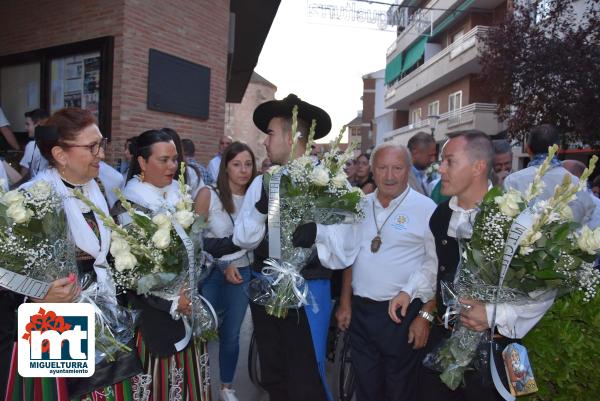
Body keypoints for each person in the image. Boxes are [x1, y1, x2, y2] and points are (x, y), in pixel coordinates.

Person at [5, 107, 140, 400]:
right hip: (55, 324)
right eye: (91, 147)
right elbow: (7, 271)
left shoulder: (94, 189)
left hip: (101, 314)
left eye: (101, 144)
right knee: (64, 393)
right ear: (60, 155)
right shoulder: (31, 199)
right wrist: (36, 294)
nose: (101, 154)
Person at [417, 130, 554, 401]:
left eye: (449, 161)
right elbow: (432, 269)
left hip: (502, 351)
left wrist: (494, 314)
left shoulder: (518, 217)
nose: (440, 168)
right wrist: (416, 300)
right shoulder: (440, 214)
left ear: (478, 167)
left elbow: (544, 291)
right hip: (444, 347)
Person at [300, 143, 437, 401]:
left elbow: (434, 266)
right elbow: (351, 256)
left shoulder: (426, 209)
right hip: (362, 312)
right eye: (382, 168)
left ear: (408, 170)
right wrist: (344, 303)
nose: (389, 175)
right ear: (372, 170)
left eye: (397, 168)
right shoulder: (358, 206)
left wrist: (426, 316)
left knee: (399, 391)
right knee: (365, 388)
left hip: (403, 314)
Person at [233, 93, 333, 401]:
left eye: (271, 133)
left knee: (306, 377)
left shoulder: (328, 181)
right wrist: (261, 208)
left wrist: (320, 232)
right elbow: (243, 238)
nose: (264, 142)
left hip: (308, 296)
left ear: (292, 137)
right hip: (266, 291)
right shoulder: (263, 182)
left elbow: (347, 245)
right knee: (273, 373)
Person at [115, 129, 210, 400]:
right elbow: (129, 273)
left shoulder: (178, 196)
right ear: (142, 162)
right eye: (164, 160)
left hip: (185, 307)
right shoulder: (129, 206)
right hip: (151, 317)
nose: (172, 166)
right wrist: (171, 300)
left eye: (175, 159)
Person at [195, 142, 257, 401]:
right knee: (203, 330)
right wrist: (222, 263)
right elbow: (193, 241)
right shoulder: (209, 194)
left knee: (231, 334)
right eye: (236, 164)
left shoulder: (257, 198)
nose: (243, 170)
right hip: (211, 273)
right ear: (225, 167)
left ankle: (226, 387)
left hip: (243, 273)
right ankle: (199, 383)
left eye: (248, 164)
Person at [504, 124, 598, 226]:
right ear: (558, 149)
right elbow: (587, 221)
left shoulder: (513, 181)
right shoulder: (576, 183)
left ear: (528, 149)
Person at [20, 108, 50, 178]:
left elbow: (22, 178)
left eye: (28, 124)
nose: (25, 128)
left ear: (38, 125)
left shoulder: (32, 145)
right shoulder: (56, 143)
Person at [407, 132, 437, 196]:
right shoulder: (402, 178)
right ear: (415, 153)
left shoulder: (423, 175)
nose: (433, 160)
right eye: (430, 155)